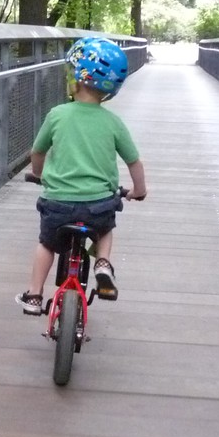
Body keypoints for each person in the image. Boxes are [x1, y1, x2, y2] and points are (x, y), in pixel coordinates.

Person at [16, 37, 147, 315]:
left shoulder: (57, 115)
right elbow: (134, 162)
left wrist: (37, 173)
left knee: (46, 244)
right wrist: (139, 190)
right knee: (105, 229)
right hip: (98, 204)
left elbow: (37, 152)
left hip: (58, 205)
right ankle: (102, 263)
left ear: (75, 77)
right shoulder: (113, 122)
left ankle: (35, 295)